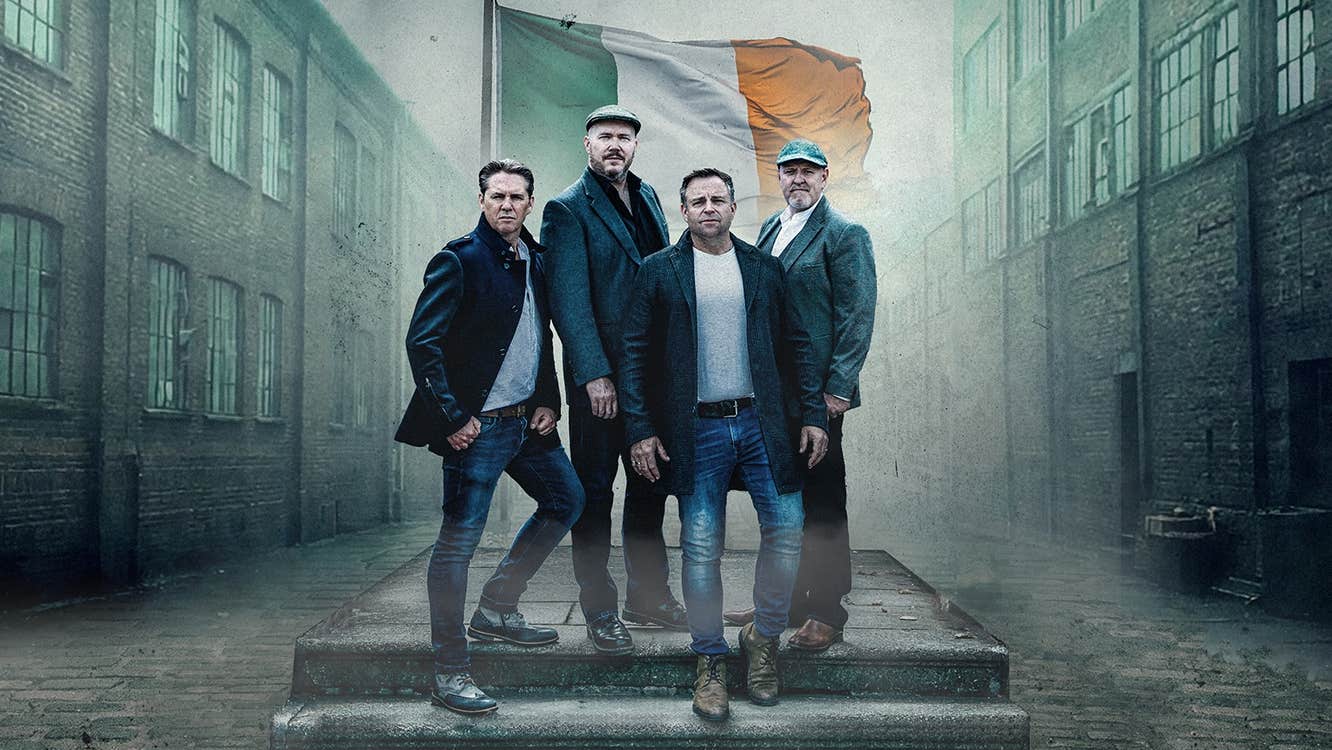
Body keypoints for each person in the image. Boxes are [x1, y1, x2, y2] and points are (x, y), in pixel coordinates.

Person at [619, 167, 828, 721]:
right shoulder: (658, 271)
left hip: (763, 425)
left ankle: (762, 639)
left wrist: (813, 415)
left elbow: (798, 344)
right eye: (697, 201)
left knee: (786, 529)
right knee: (701, 544)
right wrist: (640, 428)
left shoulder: (765, 268)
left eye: (718, 199)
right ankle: (710, 659)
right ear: (683, 212)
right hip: (696, 429)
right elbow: (634, 354)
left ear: (734, 208)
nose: (708, 208)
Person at [396, 159, 585, 716]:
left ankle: (498, 608)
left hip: (527, 423)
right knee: (458, 543)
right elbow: (422, 344)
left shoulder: (538, 261)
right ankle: (450, 671)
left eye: (517, 197)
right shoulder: (459, 260)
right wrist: (453, 417)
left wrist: (548, 399)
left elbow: (537, 337)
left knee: (567, 499)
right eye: (497, 196)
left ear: (531, 203)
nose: (507, 205)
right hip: (474, 429)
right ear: (481, 200)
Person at [541, 105, 685, 656]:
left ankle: (648, 598)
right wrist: (595, 375)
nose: (615, 147)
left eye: (624, 138)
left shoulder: (648, 196)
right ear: (587, 145)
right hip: (600, 381)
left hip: (652, 375)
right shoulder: (565, 209)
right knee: (596, 492)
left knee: (651, 486)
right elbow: (569, 304)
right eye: (605, 138)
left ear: (634, 147)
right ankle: (599, 608)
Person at [723, 139, 877, 653]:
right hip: (771, 393)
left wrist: (837, 390)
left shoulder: (844, 234)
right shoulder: (771, 228)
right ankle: (785, 601)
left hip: (818, 395)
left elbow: (857, 317)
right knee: (786, 496)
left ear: (825, 176)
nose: (798, 180)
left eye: (808, 172)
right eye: (789, 172)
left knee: (824, 500)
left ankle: (827, 610)